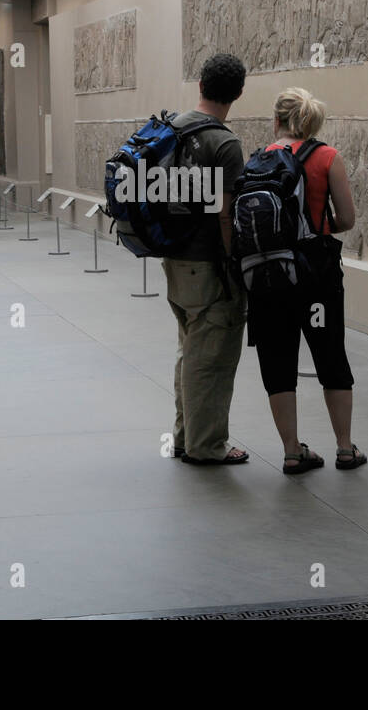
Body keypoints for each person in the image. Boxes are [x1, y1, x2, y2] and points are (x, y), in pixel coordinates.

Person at [249, 88, 363, 473]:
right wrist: (315, 226)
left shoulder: (259, 161)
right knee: (330, 353)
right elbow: (346, 219)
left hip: (269, 276)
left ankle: (292, 451)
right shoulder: (327, 157)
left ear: (276, 120)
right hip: (316, 276)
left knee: (278, 360)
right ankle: (345, 448)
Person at [164, 53, 249, 466]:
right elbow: (225, 214)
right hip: (208, 264)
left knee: (191, 349)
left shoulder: (173, 129)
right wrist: (236, 265)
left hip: (174, 259)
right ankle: (207, 444)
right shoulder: (225, 143)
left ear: (200, 85)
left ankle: (184, 436)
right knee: (211, 358)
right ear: (237, 94)